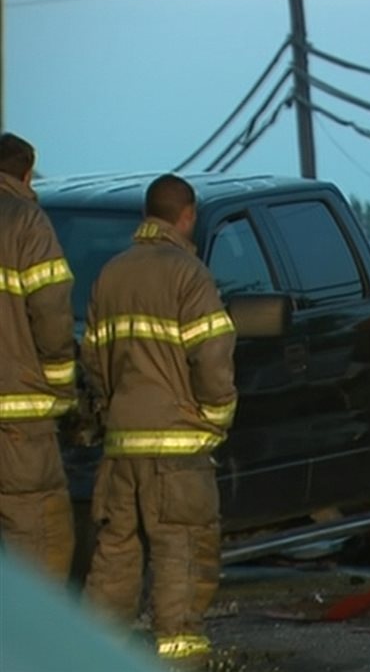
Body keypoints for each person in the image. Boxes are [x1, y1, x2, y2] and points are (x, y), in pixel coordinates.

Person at [82, 174, 237, 667]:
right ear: (186, 215)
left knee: (116, 555)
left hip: (123, 446)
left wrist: (112, 413)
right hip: (178, 449)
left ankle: (95, 654)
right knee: (182, 551)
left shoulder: (111, 275)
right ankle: (180, 658)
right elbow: (213, 355)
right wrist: (215, 417)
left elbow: (93, 360)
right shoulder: (188, 275)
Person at [0, 132, 77, 581]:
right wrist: (61, 385)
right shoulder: (26, 224)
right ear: (26, 173)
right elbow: (51, 312)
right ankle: (34, 648)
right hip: (19, 420)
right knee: (40, 534)